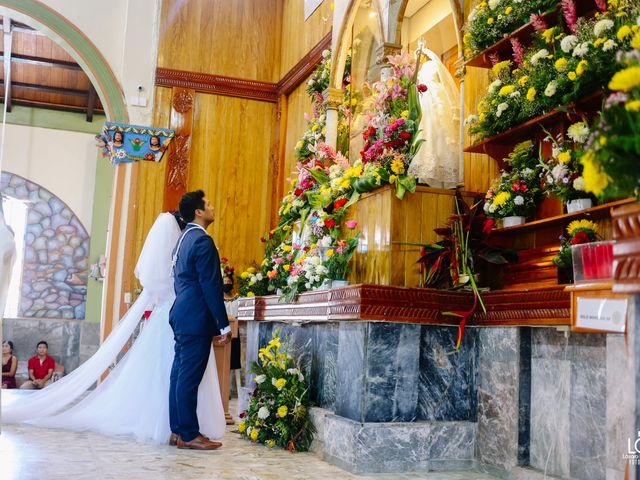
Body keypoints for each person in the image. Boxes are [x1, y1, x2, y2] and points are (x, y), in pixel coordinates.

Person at [1, 212, 226, 445]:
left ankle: (176, 429)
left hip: (171, 315)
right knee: (183, 375)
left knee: (174, 374)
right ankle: (184, 430)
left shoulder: (176, 252)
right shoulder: (190, 246)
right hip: (186, 316)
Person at [169, 189, 231, 450]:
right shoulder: (203, 241)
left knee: (179, 375)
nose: (213, 208)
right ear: (198, 211)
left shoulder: (183, 239)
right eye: (209, 204)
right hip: (195, 316)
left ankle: (177, 431)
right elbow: (210, 284)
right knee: (188, 378)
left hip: (181, 312)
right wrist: (223, 322)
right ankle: (189, 434)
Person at [407, 47, 462, 189]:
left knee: (439, 132)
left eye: (420, 54)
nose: (419, 57)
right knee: (430, 133)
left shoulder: (430, 65)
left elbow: (442, 82)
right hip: (426, 100)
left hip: (435, 98)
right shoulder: (419, 71)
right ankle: (431, 169)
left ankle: (443, 170)